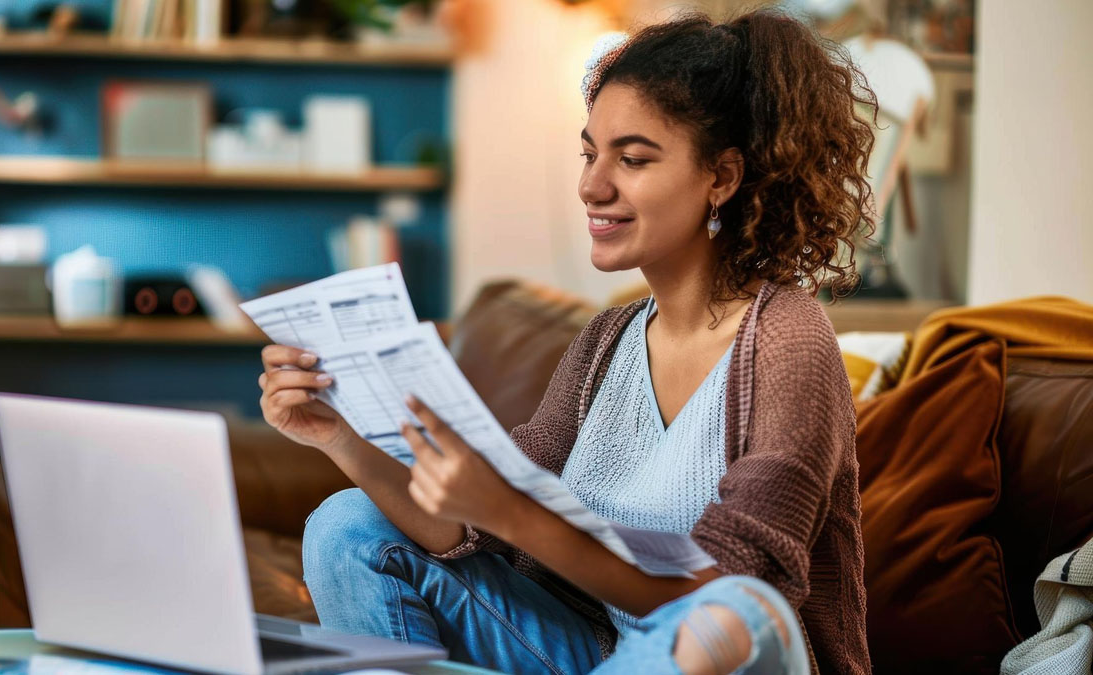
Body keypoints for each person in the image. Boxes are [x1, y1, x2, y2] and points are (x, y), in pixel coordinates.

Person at [258, 9, 875, 674]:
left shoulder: (788, 340)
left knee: (733, 612)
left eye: (632, 158)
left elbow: (740, 590)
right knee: (349, 522)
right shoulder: (604, 343)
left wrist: (516, 516)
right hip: (597, 654)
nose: (592, 185)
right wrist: (337, 434)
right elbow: (479, 525)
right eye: (590, 153)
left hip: (720, 656)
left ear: (721, 178)